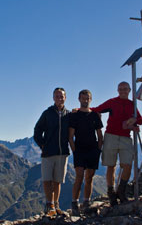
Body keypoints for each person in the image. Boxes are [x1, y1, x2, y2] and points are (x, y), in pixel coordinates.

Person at [91, 82, 142, 206]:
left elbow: (140, 119)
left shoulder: (132, 104)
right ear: (117, 90)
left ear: (129, 90)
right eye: (121, 89)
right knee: (111, 166)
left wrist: (134, 122)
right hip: (111, 136)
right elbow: (97, 109)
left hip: (125, 138)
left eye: (125, 89)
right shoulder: (112, 102)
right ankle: (111, 193)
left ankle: (121, 191)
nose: (123, 91)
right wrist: (80, 110)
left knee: (128, 165)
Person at [34, 87, 70, 216]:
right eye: (57, 96)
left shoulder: (69, 114)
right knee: (47, 180)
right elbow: (37, 130)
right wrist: (43, 145)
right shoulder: (47, 113)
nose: (59, 98)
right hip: (48, 152)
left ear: (65, 98)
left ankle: (56, 204)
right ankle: (49, 205)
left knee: (57, 181)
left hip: (62, 153)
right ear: (53, 98)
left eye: (62, 96)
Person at [69, 89, 103, 215]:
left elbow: (100, 134)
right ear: (79, 99)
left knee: (89, 177)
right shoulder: (74, 115)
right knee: (79, 177)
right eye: (83, 98)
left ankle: (86, 203)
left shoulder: (94, 115)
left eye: (87, 98)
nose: (85, 100)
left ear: (91, 99)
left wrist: (98, 150)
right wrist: (74, 151)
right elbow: (70, 136)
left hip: (92, 150)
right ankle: (74, 203)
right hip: (79, 151)